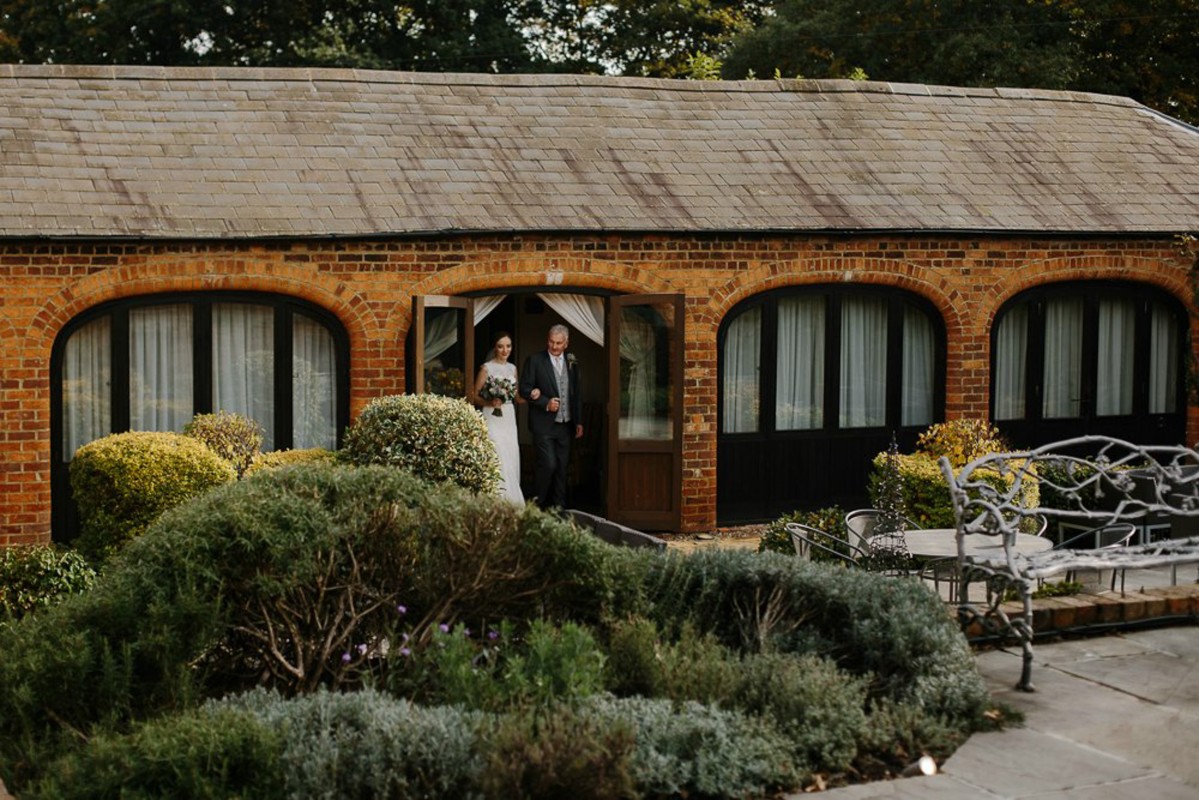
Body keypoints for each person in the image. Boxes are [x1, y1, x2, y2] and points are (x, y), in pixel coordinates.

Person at [520, 323, 583, 509]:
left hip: (566, 425)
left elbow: (577, 393)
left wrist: (579, 421)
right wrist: (545, 403)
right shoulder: (535, 360)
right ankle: (537, 506)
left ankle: (559, 509)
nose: (554, 347)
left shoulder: (573, 361)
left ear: (566, 343)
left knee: (562, 468)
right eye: (551, 342)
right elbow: (524, 389)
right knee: (548, 465)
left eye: (558, 343)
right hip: (543, 425)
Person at [471, 331, 531, 504]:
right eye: (500, 346)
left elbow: (517, 396)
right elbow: (473, 396)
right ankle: (494, 498)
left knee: (510, 452)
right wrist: (489, 402)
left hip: (508, 417)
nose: (505, 350)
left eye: (508, 346)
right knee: (497, 451)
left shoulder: (513, 369)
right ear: (495, 348)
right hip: (492, 415)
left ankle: (511, 498)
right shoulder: (486, 368)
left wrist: (533, 395)